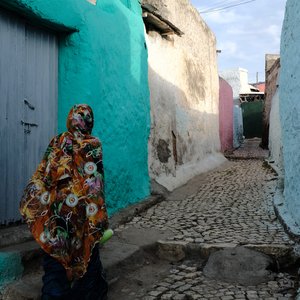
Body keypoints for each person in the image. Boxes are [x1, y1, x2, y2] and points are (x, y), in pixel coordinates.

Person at [20, 104, 109, 300]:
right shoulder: (93, 145)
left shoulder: (57, 141)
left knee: (55, 265)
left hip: (56, 213)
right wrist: (97, 220)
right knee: (88, 256)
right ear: (89, 122)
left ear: (70, 119)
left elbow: (43, 177)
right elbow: (95, 185)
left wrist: (38, 203)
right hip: (82, 216)